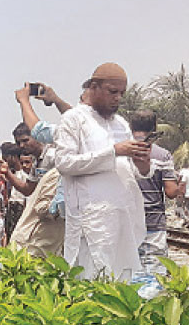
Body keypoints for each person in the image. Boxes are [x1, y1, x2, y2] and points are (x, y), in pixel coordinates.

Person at [53, 63, 150, 281]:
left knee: (122, 283)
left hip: (123, 216)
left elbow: (129, 169)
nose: (117, 98)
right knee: (92, 281)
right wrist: (113, 151)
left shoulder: (122, 124)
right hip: (91, 220)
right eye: (112, 92)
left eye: (121, 93)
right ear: (93, 87)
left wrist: (142, 164)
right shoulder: (74, 119)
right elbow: (65, 163)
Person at [129, 110, 180, 297]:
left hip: (126, 221)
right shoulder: (163, 155)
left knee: (128, 270)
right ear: (154, 128)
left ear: (131, 127)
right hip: (153, 222)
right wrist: (179, 187)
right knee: (153, 274)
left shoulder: (122, 151)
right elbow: (170, 192)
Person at [10, 168, 64, 258]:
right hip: (33, 245)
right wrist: (61, 208)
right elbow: (41, 208)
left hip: (48, 246)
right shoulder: (58, 176)